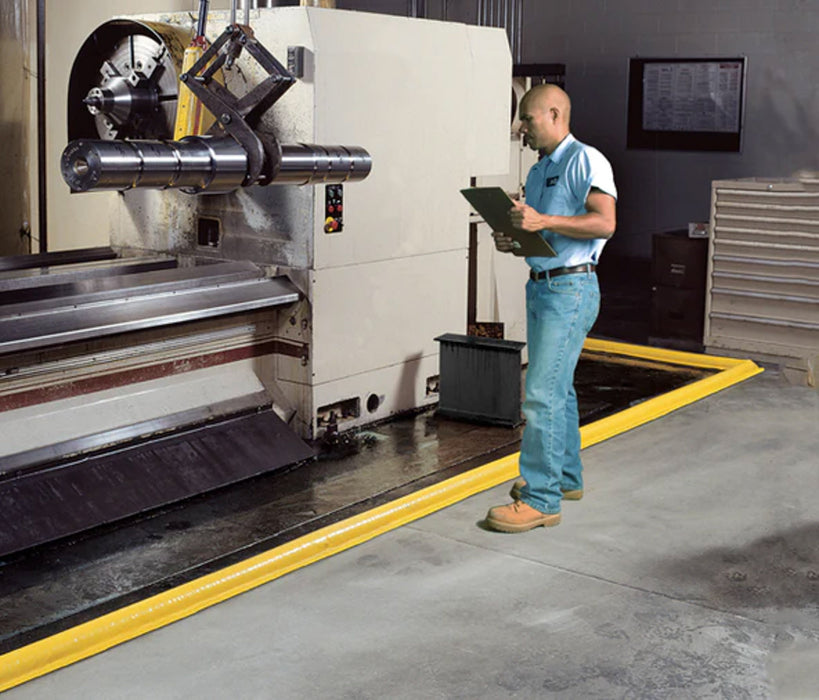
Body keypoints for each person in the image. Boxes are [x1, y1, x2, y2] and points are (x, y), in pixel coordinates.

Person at [485, 84, 617, 533]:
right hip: (542, 286)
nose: (521, 128)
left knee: (540, 395)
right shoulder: (541, 170)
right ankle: (565, 479)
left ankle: (541, 499)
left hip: (571, 290)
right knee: (559, 389)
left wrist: (544, 220)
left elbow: (605, 222)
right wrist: (515, 237)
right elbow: (544, 235)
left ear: (555, 113)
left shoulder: (587, 160)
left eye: (528, 118)